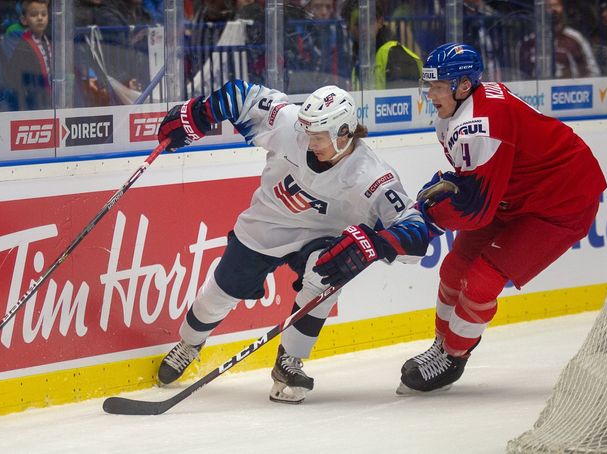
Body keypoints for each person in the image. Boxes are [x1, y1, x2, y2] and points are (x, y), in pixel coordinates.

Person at [155, 79, 430, 403]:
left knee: (328, 275)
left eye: (319, 136)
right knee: (220, 293)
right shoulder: (289, 125)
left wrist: (374, 244)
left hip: (322, 236)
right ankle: (190, 343)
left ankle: (289, 361)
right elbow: (241, 97)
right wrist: (196, 115)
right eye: (308, 132)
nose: (310, 142)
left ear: (345, 133)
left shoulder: (371, 175)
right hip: (265, 226)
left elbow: (416, 233)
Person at [398, 43, 607, 394]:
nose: (430, 94)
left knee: (480, 281)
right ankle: (441, 345)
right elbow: (477, 181)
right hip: (513, 197)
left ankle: (453, 357)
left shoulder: (477, 124)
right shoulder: (459, 110)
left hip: (561, 203)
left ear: (463, 85)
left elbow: (475, 209)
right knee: (453, 269)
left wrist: (426, 222)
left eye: (437, 86)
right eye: (429, 85)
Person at [519, 0, 600, 79]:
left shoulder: (576, 39)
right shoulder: (528, 42)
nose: (553, 9)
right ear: (541, 10)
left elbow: (594, 73)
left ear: (563, 8)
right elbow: (520, 75)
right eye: (548, 6)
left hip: (571, 90)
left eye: (556, 5)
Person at [4, 0, 52, 110]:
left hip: (45, 99)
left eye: (44, 14)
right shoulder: (23, 46)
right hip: (31, 102)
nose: (40, 18)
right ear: (24, 20)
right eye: (34, 15)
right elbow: (17, 80)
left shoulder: (47, 40)